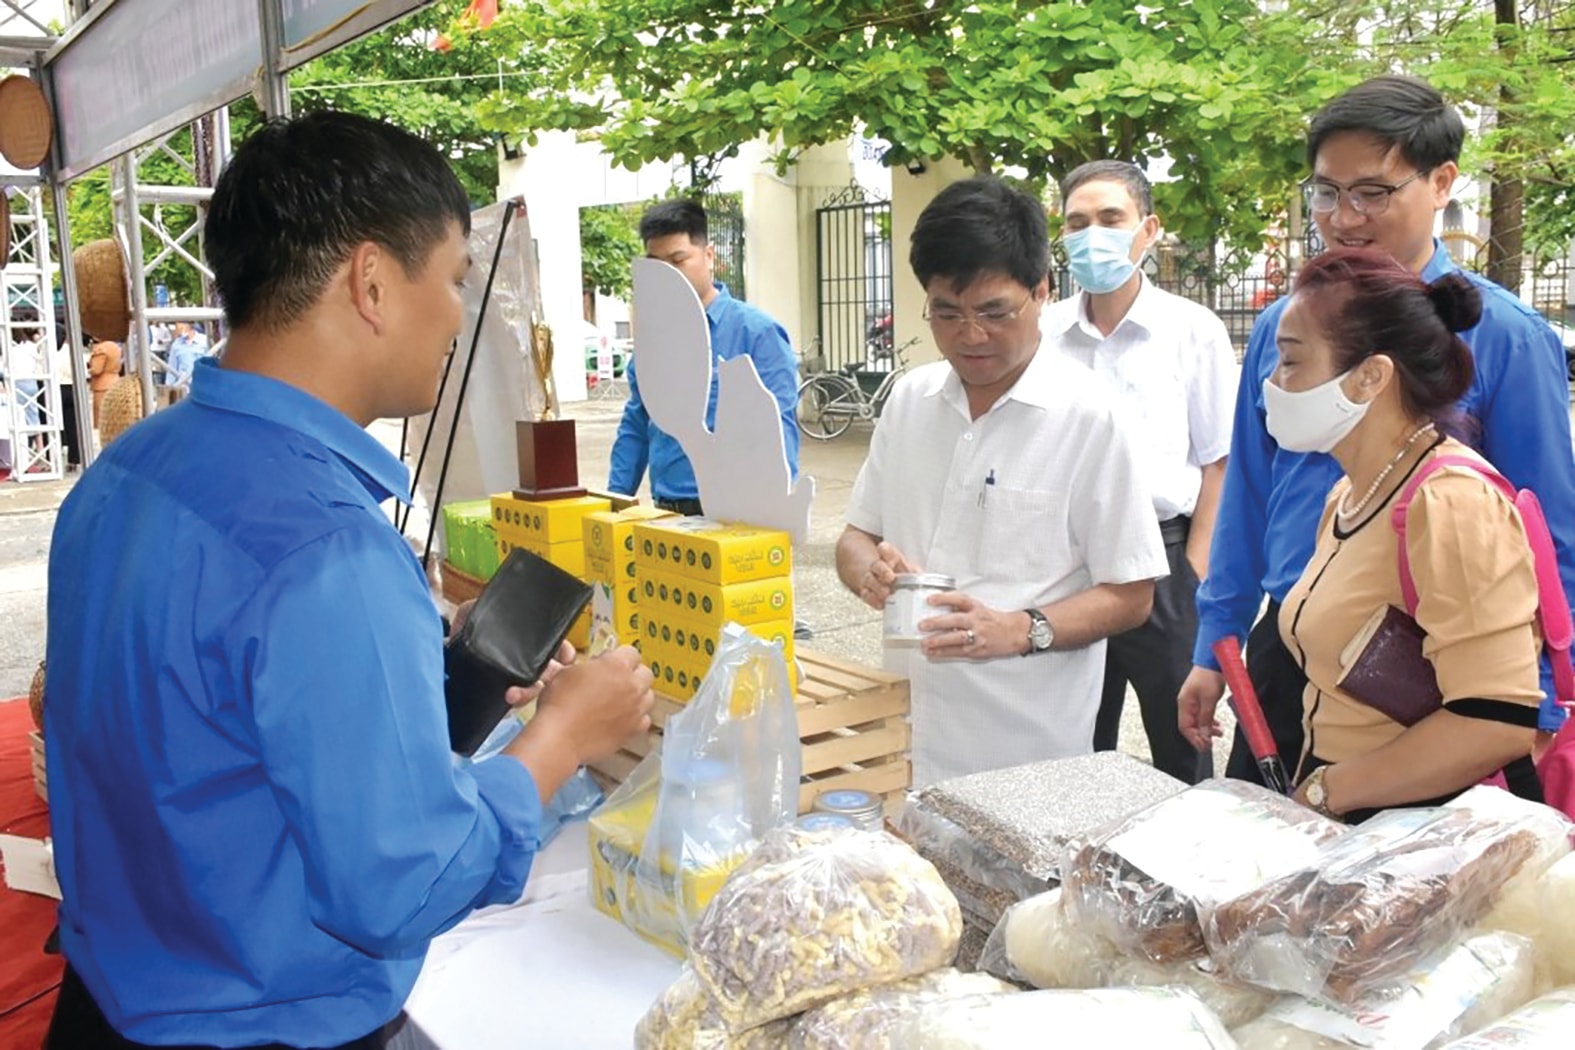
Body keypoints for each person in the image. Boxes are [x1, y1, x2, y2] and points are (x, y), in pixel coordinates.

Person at [43, 111, 655, 1050]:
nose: (457, 316)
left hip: (109, 1001)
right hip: (268, 1027)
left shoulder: (126, 471)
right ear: (372, 281)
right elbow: (405, 882)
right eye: (451, 280)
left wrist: (409, 678)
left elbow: (202, 728)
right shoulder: (327, 548)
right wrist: (564, 737)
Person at [1181, 75, 1575, 783]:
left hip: (1431, 671)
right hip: (1295, 635)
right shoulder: (1285, 325)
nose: (1343, 217)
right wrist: (1217, 641)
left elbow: (1548, 538)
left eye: (1371, 192)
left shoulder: (1506, 338)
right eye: (1325, 192)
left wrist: (1537, 705)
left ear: (1441, 182)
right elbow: (1248, 491)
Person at [836, 175, 1168, 786]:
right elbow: (855, 535)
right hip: (907, 741)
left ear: (1041, 291)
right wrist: (866, 570)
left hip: (1026, 758)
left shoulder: (1090, 416)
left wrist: (1020, 629)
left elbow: (1131, 594)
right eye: (946, 312)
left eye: (995, 311)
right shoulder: (910, 401)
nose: (971, 335)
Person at [1194, 248, 1543, 822]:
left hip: (1412, 836)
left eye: (1290, 362)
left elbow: (1494, 721)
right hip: (1356, 817)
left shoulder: (1448, 501)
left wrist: (1330, 790)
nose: (1269, 384)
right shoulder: (1352, 491)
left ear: (1370, 377)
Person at [1043, 161, 1237, 784]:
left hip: (1165, 562)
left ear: (1148, 230)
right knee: (1074, 743)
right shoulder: (1044, 334)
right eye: (1077, 223)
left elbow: (1219, 458)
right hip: (1071, 565)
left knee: (1182, 741)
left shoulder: (1191, 330)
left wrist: (1198, 569)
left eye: (1110, 219)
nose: (1091, 234)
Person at [608, 198, 800, 517]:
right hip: (666, 513)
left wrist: (773, 508)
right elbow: (636, 425)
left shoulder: (756, 333)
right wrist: (613, 503)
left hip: (736, 513)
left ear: (709, 255)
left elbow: (779, 426)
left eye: (678, 260)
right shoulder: (652, 342)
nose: (668, 275)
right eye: (658, 265)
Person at [165, 320, 211, 399]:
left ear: (188, 325)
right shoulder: (176, 345)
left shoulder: (204, 341)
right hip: (183, 389)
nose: (177, 330)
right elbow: (172, 368)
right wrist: (168, 390)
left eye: (180, 327)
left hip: (201, 387)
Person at [87, 337, 123, 426]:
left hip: (102, 384)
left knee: (101, 415)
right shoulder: (115, 346)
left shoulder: (100, 349)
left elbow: (97, 370)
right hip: (115, 380)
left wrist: (88, 369)